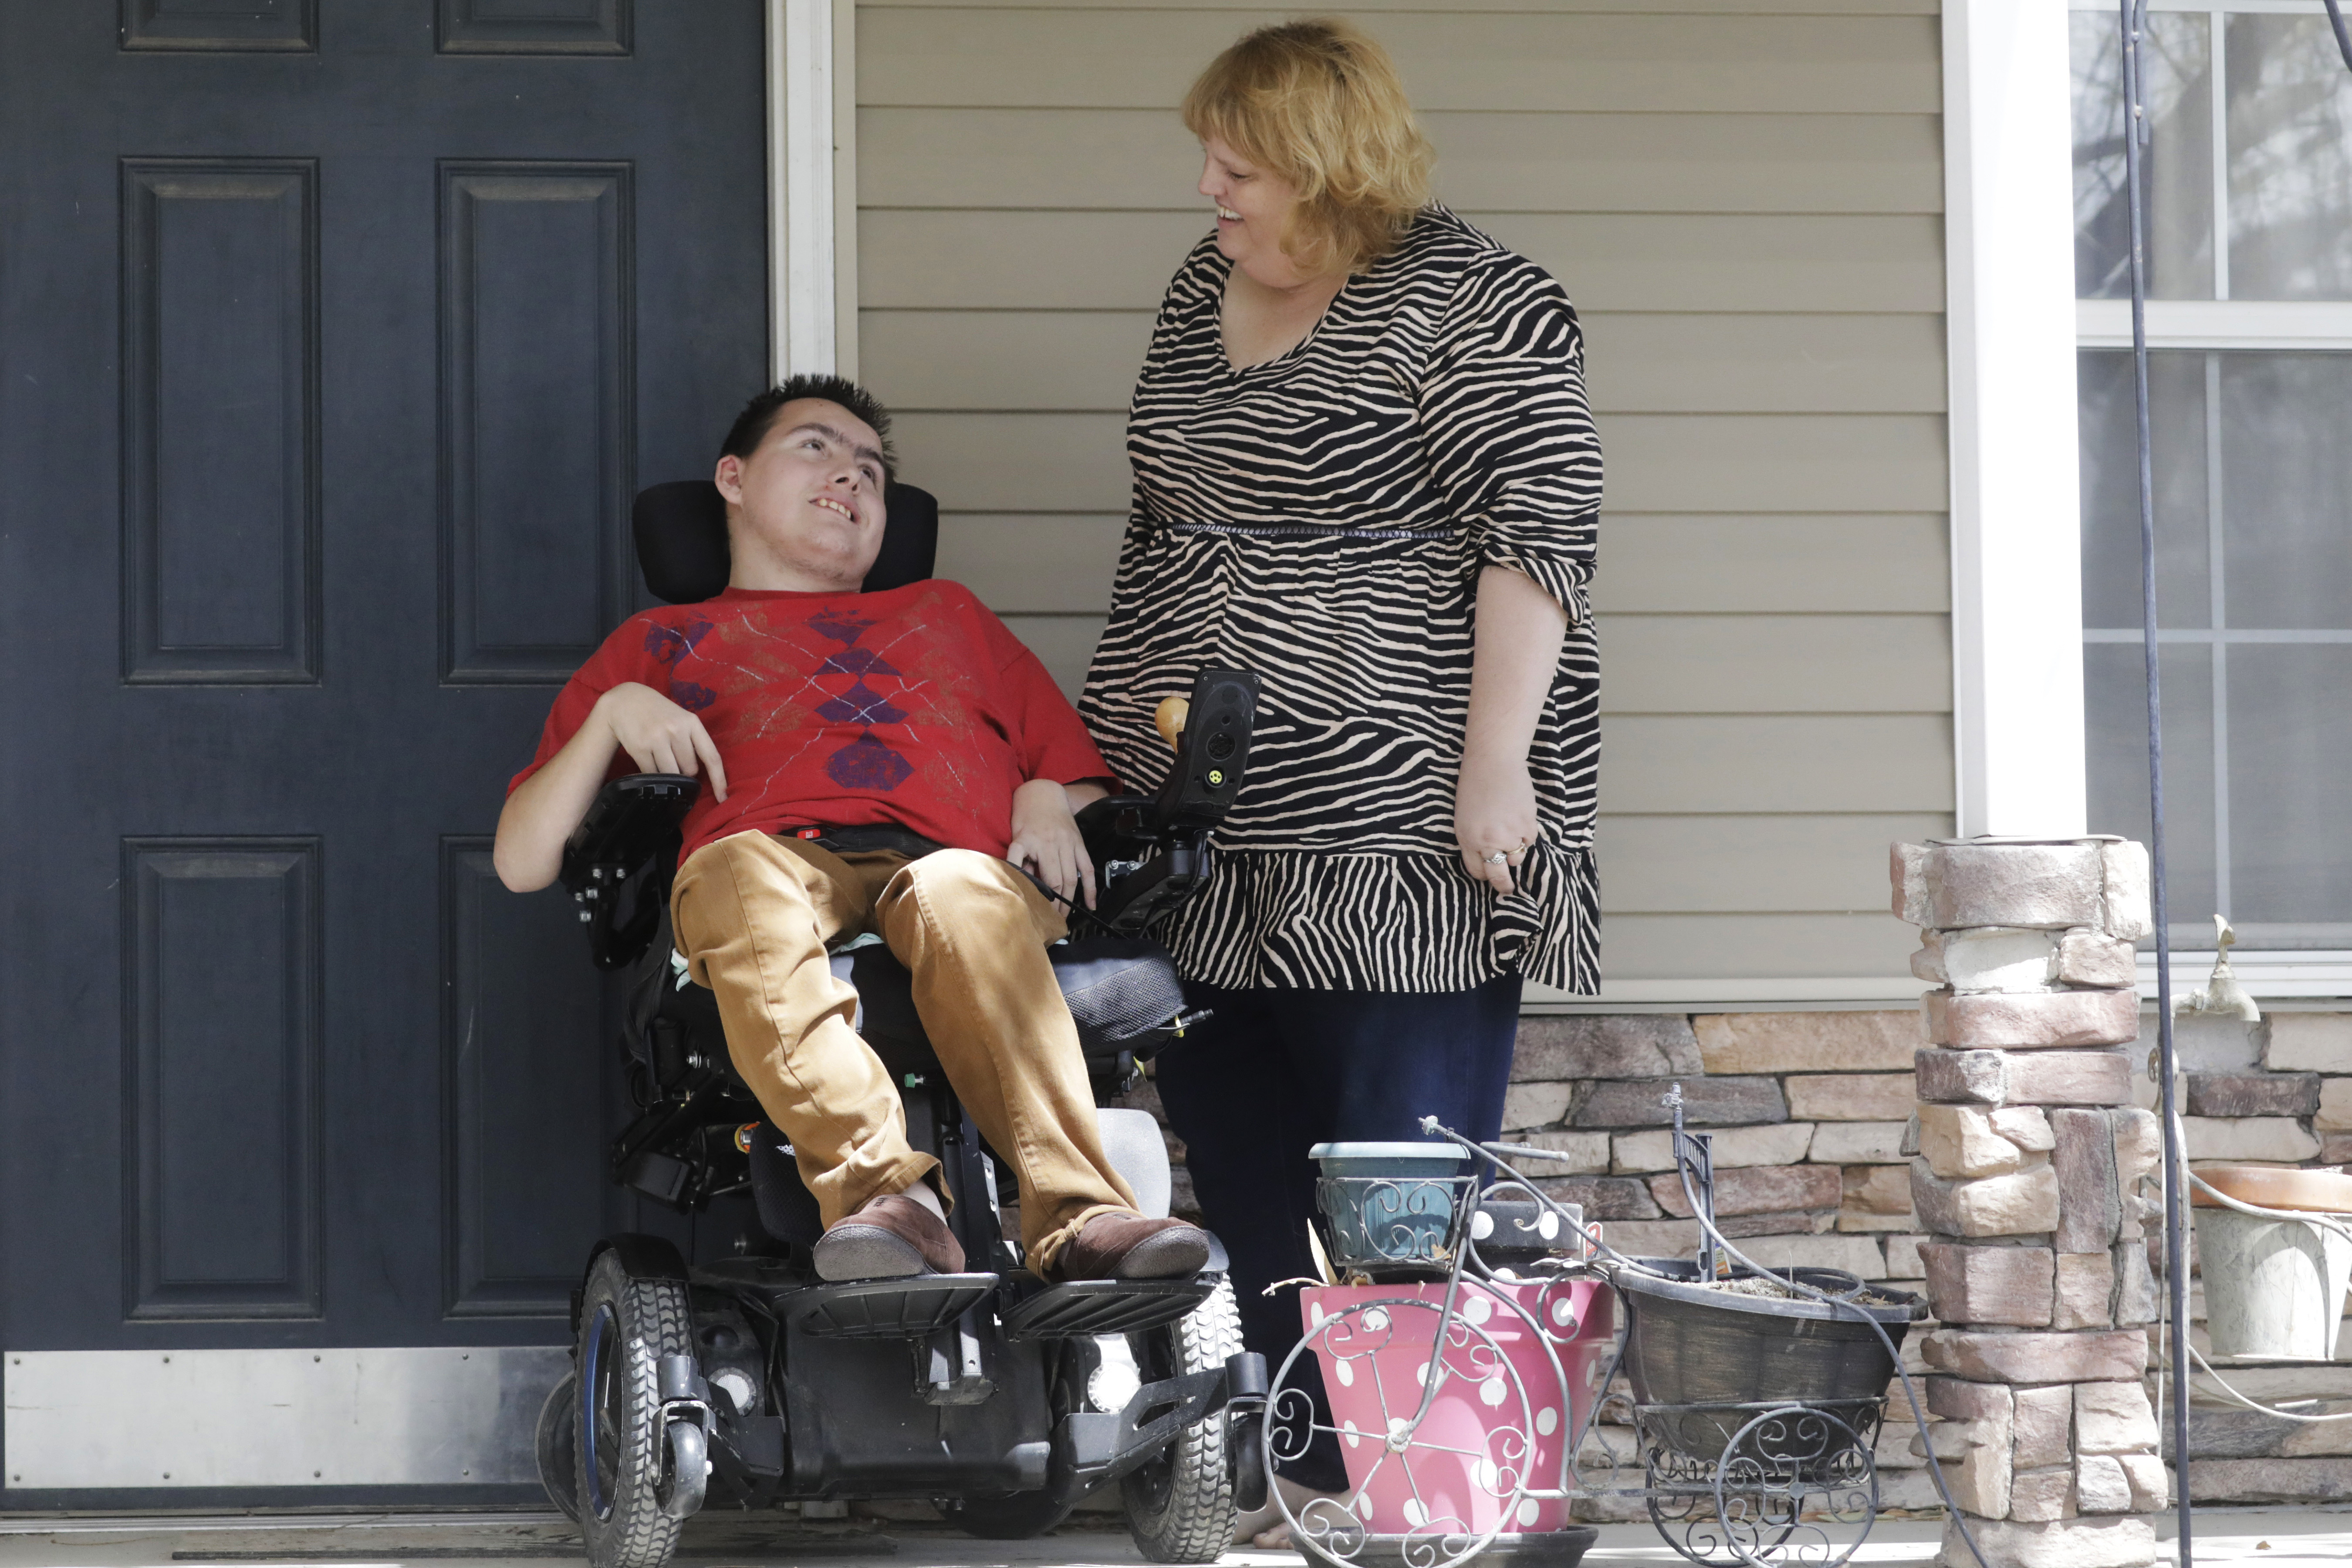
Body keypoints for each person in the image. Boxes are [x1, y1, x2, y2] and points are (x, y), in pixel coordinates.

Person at [1077, 18, 1602, 1535]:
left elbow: (1537, 549)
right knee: (1239, 1146)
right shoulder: (1203, 289)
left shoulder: (1479, 299)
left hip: (1398, 819)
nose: (1209, 190)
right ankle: (1304, 1469)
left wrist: (1494, 775)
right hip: (1211, 813)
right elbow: (1164, 517)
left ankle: (1420, 1488)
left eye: (1237, 165)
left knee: (1391, 1164)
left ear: (1322, 163)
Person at [495, 375, 1208, 1286]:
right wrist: (612, 717)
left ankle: (1083, 1216)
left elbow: (1077, 785)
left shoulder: (952, 616)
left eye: (871, 469)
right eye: (817, 448)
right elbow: (521, 860)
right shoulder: (659, 642)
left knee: (958, 888)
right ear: (733, 479)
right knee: (732, 875)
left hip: (959, 870)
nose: (852, 477)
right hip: (774, 867)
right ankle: (889, 1202)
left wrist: (1042, 795)